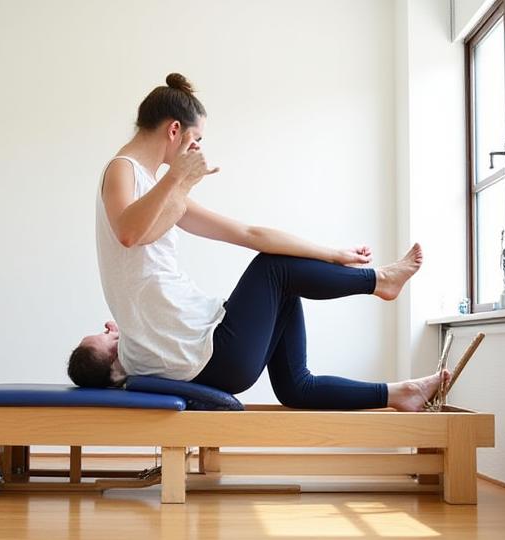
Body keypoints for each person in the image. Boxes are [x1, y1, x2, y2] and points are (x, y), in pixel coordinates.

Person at [68, 73, 447, 412]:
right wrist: (178, 180)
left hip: (208, 351)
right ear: (174, 131)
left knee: (297, 384)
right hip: (203, 354)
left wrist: (333, 253)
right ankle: (380, 281)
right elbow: (129, 233)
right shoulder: (124, 169)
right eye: (195, 140)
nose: (196, 150)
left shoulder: (158, 188)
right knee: (275, 268)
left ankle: (402, 394)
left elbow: (249, 234)